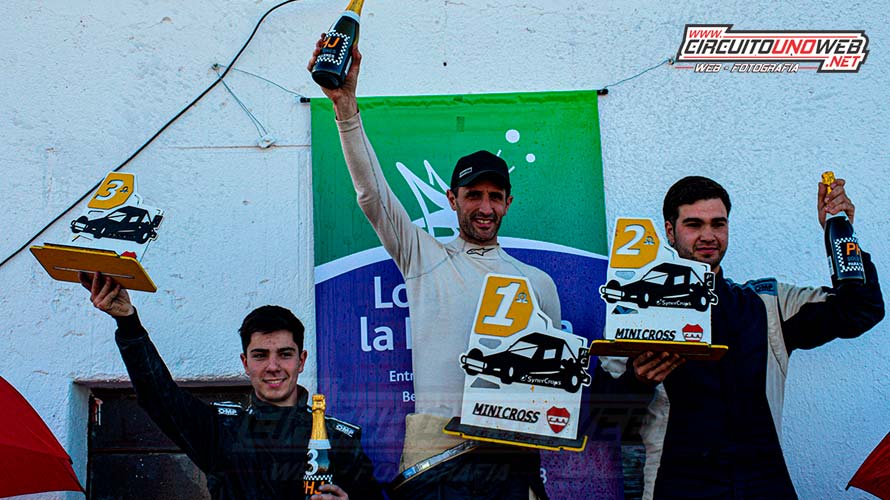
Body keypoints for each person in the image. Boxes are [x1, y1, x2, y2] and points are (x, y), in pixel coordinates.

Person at [308, 40, 679, 500]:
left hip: (511, 460)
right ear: (452, 199)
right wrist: (345, 107)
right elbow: (372, 195)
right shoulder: (424, 257)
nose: (484, 207)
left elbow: (553, 386)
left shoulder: (537, 284)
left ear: (508, 202)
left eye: (494, 197)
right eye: (473, 196)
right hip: (435, 457)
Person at [606, 176, 884, 500]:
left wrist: (840, 232)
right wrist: (637, 382)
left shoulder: (769, 303)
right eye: (694, 224)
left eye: (718, 224)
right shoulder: (635, 314)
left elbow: (860, 309)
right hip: (678, 487)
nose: (708, 235)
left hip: (765, 487)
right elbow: (605, 420)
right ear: (670, 231)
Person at [80, 272, 384, 500]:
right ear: (245, 362)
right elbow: (158, 395)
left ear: (301, 361)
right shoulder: (221, 429)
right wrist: (128, 323)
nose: (273, 366)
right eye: (260, 355)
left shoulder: (338, 440)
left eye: (285, 354)